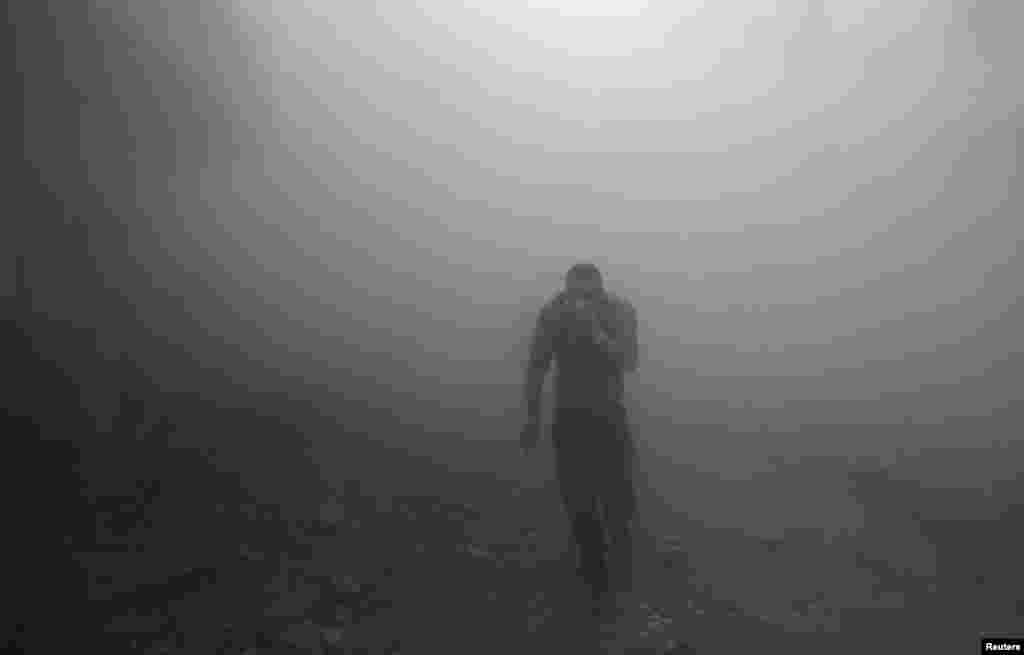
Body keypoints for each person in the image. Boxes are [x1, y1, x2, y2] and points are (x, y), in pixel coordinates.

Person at [520, 262, 639, 611]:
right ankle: (596, 582)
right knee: (577, 500)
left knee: (619, 497)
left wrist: (598, 334)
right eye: (576, 294)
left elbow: (630, 360)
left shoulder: (619, 310)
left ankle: (621, 565)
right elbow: (537, 365)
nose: (582, 301)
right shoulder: (554, 312)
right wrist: (531, 417)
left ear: (601, 290)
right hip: (570, 418)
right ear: (567, 290)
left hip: (609, 416)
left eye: (590, 294)